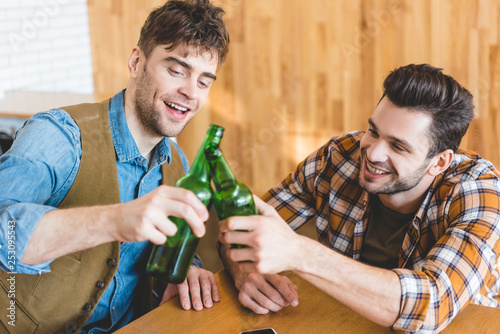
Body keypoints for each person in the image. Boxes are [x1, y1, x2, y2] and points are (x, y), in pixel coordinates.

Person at [0, 0, 229, 333]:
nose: (189, 93)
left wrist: (185, 271)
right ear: (136, 61)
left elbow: (172, 250)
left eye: (204, 81)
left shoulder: (178, 165)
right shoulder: (60, 136)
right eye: (176, 70)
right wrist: (114, 220)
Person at [218, 64, 500, 333]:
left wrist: (301, 253)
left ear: (439, 162)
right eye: (374, 131)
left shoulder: (478, 190)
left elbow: (432, 307)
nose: (373, 154)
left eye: (398, 146)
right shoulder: (338, 156)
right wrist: (243, 272)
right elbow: (239, 231)